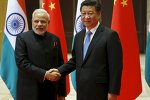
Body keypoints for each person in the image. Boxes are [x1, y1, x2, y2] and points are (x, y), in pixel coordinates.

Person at [50, 1, 123, 100]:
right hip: (82, 89)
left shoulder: (110, 35)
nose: (86, 17)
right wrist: (59, 71)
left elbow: (116, 66)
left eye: (90, 13)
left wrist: (113, 92)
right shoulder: (79, 36)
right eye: (83, 13)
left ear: (98, 14)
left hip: (101, 90)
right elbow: (75, 60)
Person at [15, 9, 66, 100]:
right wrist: (45, 74)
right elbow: (22, 63)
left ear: (48, 22)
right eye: (36, 21)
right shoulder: (22, 38)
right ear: (32, 21)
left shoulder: (55, 39)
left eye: (43, 21)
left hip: (50, 91)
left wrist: (62, 93)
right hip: (28, 91)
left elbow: (60, 65)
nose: (39, 24)